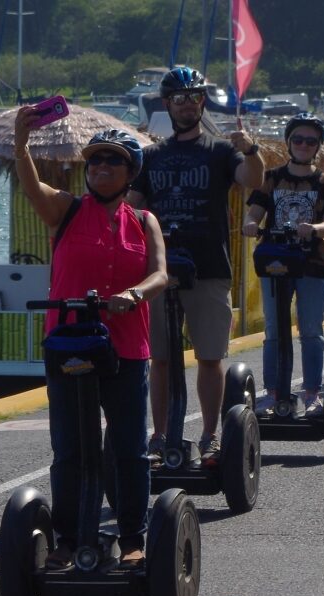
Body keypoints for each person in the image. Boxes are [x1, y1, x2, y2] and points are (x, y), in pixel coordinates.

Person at [13, 111, 167, 570]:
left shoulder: (142, 220)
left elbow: (160, 272)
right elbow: (31, 186)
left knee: (128, 448)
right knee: (71, 448)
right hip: (68, 345)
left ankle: (132, 537)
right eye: (95, 161)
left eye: (112, 162)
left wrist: (134, 293)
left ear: (129, 173)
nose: (100, 168)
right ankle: (69, 538)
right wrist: (23, 144)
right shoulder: (66, 209)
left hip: (125, 347)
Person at [127, 65, 264, 466]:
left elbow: (252, 180)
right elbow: (131, 209)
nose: (188, 104)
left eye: (194, 97)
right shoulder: (150, 156)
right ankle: (159, 436)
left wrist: (252, 148)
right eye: (179, 98)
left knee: (209, 357)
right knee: (161, 360)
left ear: (202, 101)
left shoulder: (221, 150)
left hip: (208, 268)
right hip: (159, 272)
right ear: (167, 104)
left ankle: (209, 435)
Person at [243, 113, 324, 416]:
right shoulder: (271, 178)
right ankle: (272, 392)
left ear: (318, 146)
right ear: (289, 142)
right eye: (298, 139)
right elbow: (254, 212)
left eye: (310, 141)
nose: (304, 145)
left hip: (314, 263)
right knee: (274, 330)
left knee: (311, 329)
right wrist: (250, 224)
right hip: (276, 260)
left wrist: (314, 229)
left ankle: (313, 392)